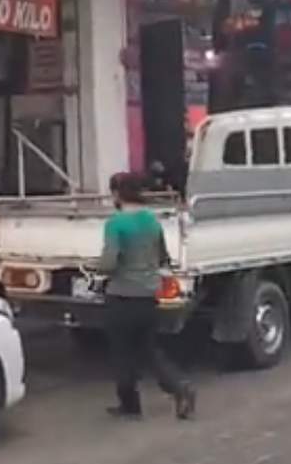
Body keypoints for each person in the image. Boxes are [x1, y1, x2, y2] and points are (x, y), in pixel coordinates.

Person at [98, 172, 196, 420]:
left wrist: (97, 269)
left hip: (122, 295)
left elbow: (109, 263)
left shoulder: (116, 224)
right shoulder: (152, 222)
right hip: (148, 296)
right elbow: (162, 257)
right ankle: (180, 387)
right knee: (148, 350)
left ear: (117, 194)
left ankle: (130, 405)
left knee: (122, 352)